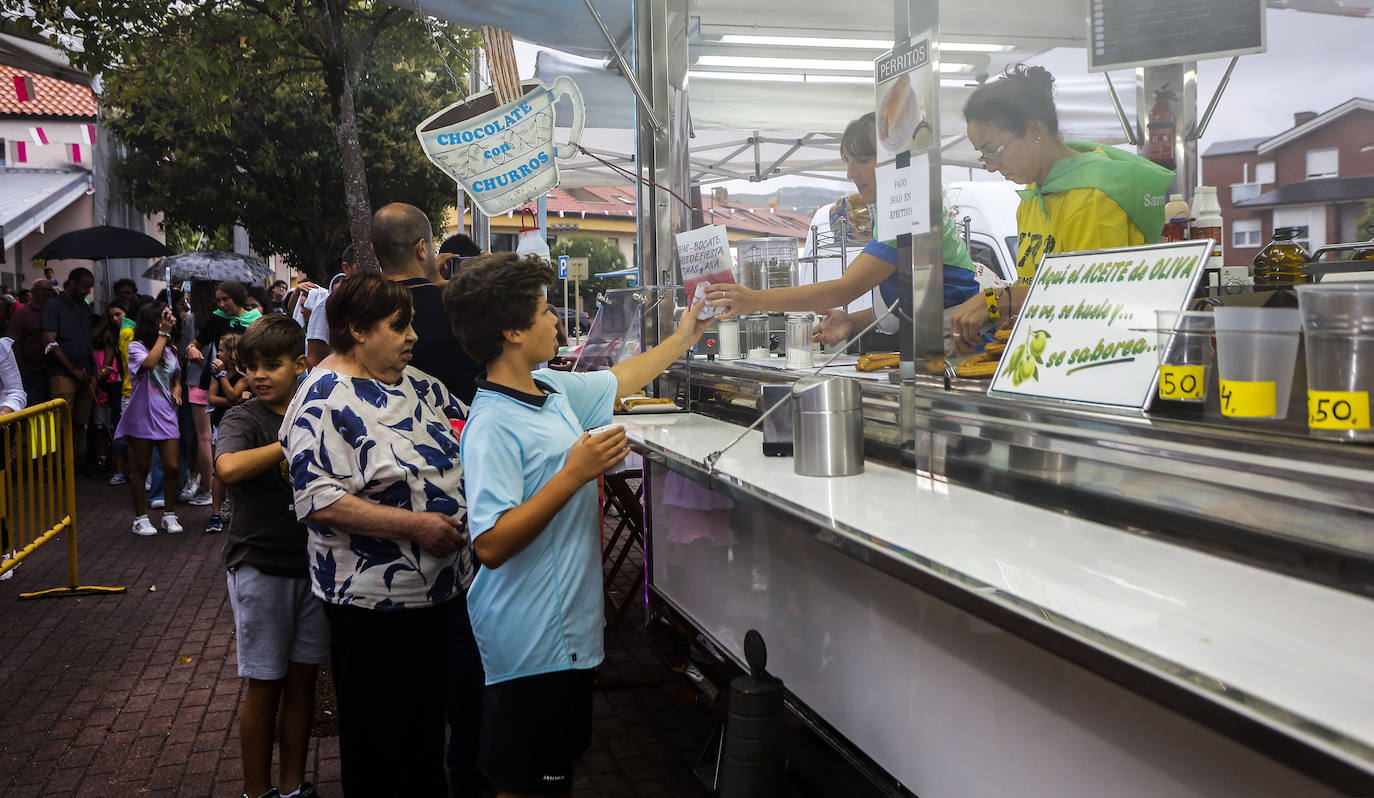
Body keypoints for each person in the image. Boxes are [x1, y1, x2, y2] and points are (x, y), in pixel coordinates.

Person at [445, 253, 712, 798]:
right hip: (528, 636)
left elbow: (621, 378)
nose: (556, 323)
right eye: (545, 312)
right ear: (512, 331)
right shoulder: (492, 423)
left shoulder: (549, 389)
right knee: (526, 782)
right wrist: (575, 473)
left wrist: (686, 334)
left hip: (565, 632)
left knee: (554, 772)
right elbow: (491, 544)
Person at [281, 272, 471, 797]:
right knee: (380, 744)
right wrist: (416, 525)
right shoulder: (321, 399)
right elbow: (317, 499)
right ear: (357, 330)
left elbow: (474, 428)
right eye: (399, 325)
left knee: (424, 734)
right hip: (371, 608)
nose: (414, 336)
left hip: (439, 594)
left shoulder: (418, 383)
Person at [704, 113, 982, 348]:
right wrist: (853, 321)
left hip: (955, 345)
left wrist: (755, 299)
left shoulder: (908, 209)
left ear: (895, 160)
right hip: (937, 341)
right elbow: (912, 297)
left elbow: (844, 289)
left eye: (861, 160)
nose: (850, 173)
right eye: (847, 160)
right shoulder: (904, 204)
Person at [949, 65, 1174, 350]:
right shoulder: (1033, 197)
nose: (991, 166)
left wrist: (999, 300)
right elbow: (1036, 284)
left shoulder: (1096, 196)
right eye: (983, 156)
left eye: (994, 150)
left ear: (1034, 130)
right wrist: (1008, 315)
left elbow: (1093, 300)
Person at [217, 314, 326, 798]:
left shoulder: (317, 409)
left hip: (313, 567)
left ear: (300, 364)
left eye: (271, 364)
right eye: (251, 366)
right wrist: (287, 443)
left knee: (303, 682)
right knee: (265, 684)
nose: (259, 375)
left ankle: (291, 787)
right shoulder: (244, 417)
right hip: (259, 566)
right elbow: (229, 467)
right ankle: (256, 792)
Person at [372, 203, 483, 404]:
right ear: (421, 248)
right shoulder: (460, 307)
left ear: (374, 249)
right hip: (455, 427)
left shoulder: (359, 307)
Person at [115, 302, 184, 537]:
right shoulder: (136, 347)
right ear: (152, 320)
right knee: (141, 469)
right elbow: (149, 364)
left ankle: (169, 515)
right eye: (165, 316)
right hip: (142, 414)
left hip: (165, 413)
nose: (171, 320)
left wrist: (177, 390)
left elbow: (175, 376)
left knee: (172, 467)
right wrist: (163, 335)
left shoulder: (171, 348)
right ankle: (140, 518)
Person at [42, 267, 98, 472]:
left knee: (79, 422)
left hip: (86, 372)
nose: (87, 291)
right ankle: (54, 465)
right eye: (84, 286)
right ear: (72, 283)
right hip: (63, 372)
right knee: (59, 422)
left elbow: (86, 337)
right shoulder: (53, 305)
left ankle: (70, 463)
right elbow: (50, 342)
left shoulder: (83, 307)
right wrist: (72, 369)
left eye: (90, 288)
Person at [206, 331, 250, 534]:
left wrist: (224, 376)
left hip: (238, 426)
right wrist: (236, 400)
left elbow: (232, 392)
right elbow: (214, 399)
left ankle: (235, 508)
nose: (218, 353)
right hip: (219, 423)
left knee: (237, 469)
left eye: (221, 350)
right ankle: (216, 511)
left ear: (231, 352)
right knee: (218, 469)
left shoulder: (244, 374)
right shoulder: (216, 372)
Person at [9, 279, 53, 408]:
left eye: (49, 290)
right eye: (43, 290)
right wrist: (22, 368)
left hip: (52, 370)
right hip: (30, 372)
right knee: (35, 407)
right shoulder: (22, 313)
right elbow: (14, 342)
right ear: (33, 292)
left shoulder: (52, 312)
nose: (47, 293)